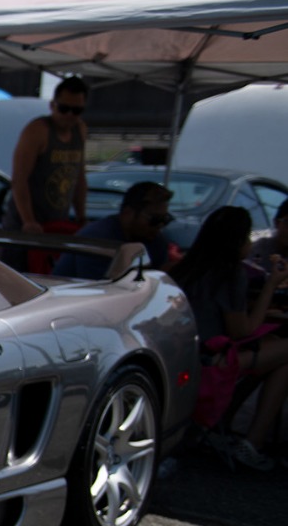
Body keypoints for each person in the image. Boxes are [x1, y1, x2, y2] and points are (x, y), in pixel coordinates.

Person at [169, 205, 288, 470]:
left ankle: (225, 430)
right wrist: (270, 286)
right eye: (246, 237)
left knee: (275, 356)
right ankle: (252, 443)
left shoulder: (184, 268)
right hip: (211, 360)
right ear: (236, 241)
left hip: (182, 355)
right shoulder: (231, 273)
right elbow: (241, 331)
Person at [3, 76, 89, 233]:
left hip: (57, 224)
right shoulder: (38, 130)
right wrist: (28, 221)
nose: (69, 115)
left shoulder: (80, 130)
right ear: (52, 105)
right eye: (64, 109)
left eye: (76, 111)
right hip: (24, 226)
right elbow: (19, 180)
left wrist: (81, 216)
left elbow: (80, 177)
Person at [52, 181, 174, 278]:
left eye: (165, 219)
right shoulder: (97, 239)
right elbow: (100, 290)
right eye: (155, 219)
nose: (160, 225)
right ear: (128, 213)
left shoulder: (155, 240)